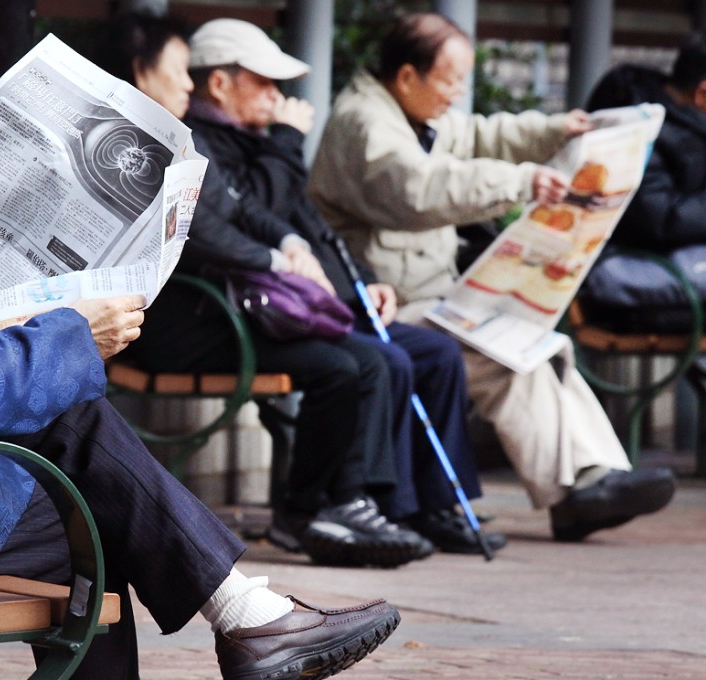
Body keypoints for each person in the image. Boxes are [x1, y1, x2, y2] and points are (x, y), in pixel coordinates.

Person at [0, 7, 401, 680]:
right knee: (88, 506)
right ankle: (249, 617)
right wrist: (74, 336)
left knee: (79, 454)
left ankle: (251, 618)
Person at [307, 11, 677, 542]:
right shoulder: (364, 125)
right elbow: (420, 189)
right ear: (407, 76)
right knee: (505, 356)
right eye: (450, 80)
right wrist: (522, 182)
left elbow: (483, 134)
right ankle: (577, 490)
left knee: (540, 344)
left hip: (429, 296)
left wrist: (557, 130)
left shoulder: (412, 113)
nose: (457, 93)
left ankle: (595, 477)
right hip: (381, 304)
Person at [95, 11, 449, 566]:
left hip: (216, 313)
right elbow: (200, 232)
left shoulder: (176, 137)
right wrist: (277, 258)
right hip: (179, 324)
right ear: (142, 72)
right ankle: (314, 509)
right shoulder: (134, 145)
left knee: (357, 362)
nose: (188, 82)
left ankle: (332, 506)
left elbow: (242, 210)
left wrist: (288, 244)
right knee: (344, 366)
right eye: (179, 70)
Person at [167, 16, 507, 556]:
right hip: (237, 312)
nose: (278, 96)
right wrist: (284, 144)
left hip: (303, 303)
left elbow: (308, 227)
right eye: (265, 82)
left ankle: (432, 504)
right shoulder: (206, 143)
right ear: (220, 83)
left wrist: (365, 281)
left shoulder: (258, 140)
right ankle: (351, 506)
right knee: (371, 362)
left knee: (436, 354)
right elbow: (246, 214)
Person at [582, 29, 706, 333]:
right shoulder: (640, 129)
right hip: (634, 267)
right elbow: (659, 217)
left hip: (672, 259)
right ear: (703, 94)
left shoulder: (684, 121)